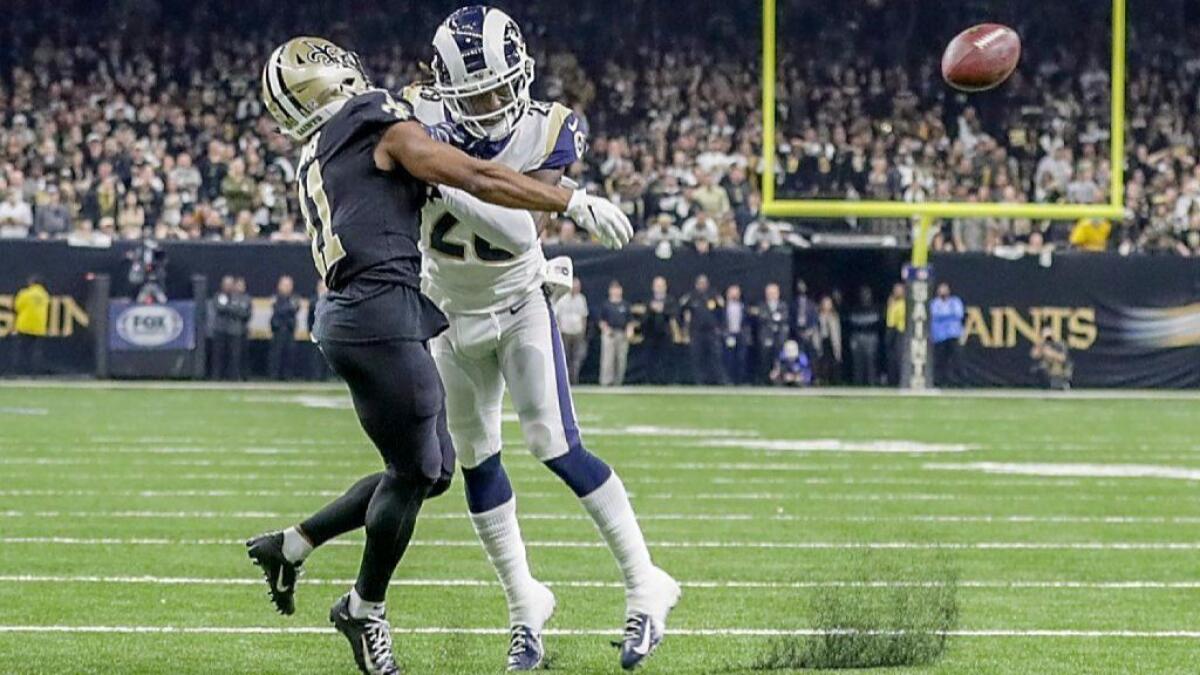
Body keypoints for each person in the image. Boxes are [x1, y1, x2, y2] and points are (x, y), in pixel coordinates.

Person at [244, 35, 632, 675]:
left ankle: (293, 544)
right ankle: (363, 610)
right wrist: (572, 201)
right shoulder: (371, 123)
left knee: (429, 466)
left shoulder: (323, 145)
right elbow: (473, 175)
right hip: (380, 314)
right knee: (420, 472)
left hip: (354, 315)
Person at [412, 11, 672, 668]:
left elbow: (518, 227)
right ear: (446, 90)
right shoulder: (416, 120)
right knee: (477, 458)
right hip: (446, 312)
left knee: (553, 443)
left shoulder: (550, 128)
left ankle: (647, 581)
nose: (494, 108)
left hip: (519, 301)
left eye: (501, 91)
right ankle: (524, 604)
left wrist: (446, 175)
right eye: (477, 97)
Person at [681, 274, 725, 385]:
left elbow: (722, 310)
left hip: (711, 332)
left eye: (704, 283)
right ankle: (699, 381)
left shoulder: (713, 295)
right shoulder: (691, 296)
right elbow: (682, 310)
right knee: (697, 358)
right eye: (700, 283)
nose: (702, 285)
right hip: (696, 332)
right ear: (696, 284)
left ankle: (719, 381)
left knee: (716, 358)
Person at [11, 276, 50, 375]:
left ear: (31, 283)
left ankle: (17, 371)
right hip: (39, 327)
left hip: (24, 325)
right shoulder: (45, 295)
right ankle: (35, 372)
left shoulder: (24, 293)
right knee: (36, 351)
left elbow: (17, 306)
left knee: (21, 350)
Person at [642, 276, 678, 385]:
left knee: (665, 358)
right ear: (653, 287)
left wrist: (662, 310)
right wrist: (651, 310)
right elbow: (644, 318)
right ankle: (651, 380)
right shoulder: (648, 300)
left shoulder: (671, 300)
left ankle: (665, 380)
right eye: (657, 286)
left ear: (665, 287)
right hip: (651, 334)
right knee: (651, 359)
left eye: (661, 285)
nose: (659, 288)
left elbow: (674, 314)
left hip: (665, 334)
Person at [553, 278, 589, 385]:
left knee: (576, 358)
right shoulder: (562, 299)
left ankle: (574, 380)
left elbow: (584, 316)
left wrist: (583, 330)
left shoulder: (581, 299)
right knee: (565, 357)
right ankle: (563, 380)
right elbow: (557, 315)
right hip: (565, 332)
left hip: (577, 332)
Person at [930, 282, 965, 387]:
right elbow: (935, 315)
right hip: (939, 336)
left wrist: (943, 316)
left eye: (945, 289)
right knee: (940, 360)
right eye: (941, 290)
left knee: (957, 359)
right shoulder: (934, 303)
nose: (943, 292)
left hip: (953, 334)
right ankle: (940, 382)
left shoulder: (955, 301)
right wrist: (949, 315)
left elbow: (959, 314)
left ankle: (959, 381)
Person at [598, 280, 632, 386]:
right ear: (610, 291)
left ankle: (618, 381)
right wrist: (606, 329)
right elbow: (601, 320)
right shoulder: (606, 304)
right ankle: (606, 382)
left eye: (618, 289)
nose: (616, 292)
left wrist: (629, 331)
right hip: (609, 334)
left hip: (622, 334)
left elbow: (630, 321)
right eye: (614, 289)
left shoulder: (625, 305)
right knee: (608, 359)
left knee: (621, 359)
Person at [754, 283, 790, 385]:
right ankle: (764, 380)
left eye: (774, 293)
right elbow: (761, 317)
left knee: (779, 359)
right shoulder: (762, 305)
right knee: (765, 360)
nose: (772, 295)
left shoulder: (783, 305)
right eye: (769, 293)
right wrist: (774, 317)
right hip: (766, 337)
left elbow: (784, 318)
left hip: (779, 337)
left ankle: (778, 380)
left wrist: (771, 318)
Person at [847, 286, 882, 386]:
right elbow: (852, 324)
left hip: (871, 338)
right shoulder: (855, 308)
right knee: (858, 363)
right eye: (863, 294)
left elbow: (876, 324)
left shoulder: (875, 308)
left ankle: (872, 383)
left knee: (871, 362)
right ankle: (858, 383)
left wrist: (863, 325)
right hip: (857, 338)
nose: (865, 296)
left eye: (867, 294)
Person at [268, 275, 301, 380]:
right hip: (277, 330)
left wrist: (281, 308)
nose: (287, 287)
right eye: (284, 285)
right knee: (275, 355)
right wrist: (286, 308)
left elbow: (294, 308)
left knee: (289, 355)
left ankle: (288, 376)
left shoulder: (295, 298)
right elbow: (280, 309)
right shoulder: (275, 297)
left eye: (289, 285)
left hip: (289, 330)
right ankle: (274, 376)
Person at [721, 284, 751, 384]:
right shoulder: (722, 307)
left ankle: (740, 381)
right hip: (728, 335)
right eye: (732, 293)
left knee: (741, 359)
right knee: (729, 359)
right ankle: (728, 380)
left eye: (736, 293)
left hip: (741, 336)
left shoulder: (744, 307)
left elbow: (748, 322)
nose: (734, 296)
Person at [815, 295, 842, 385]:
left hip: (832, 341)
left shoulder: (834, 316)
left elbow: (837, 331)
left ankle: (834, 380)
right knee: (822, 361)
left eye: (829, 304)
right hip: (822, 340)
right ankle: (823, 379)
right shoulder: (818, 316)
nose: (827, 306)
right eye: (825, 304)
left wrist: (838, 345)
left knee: (833, 361)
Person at [885, 282, 906, 386]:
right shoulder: (891, 302)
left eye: (899, 289)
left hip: (901, 331)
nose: (897, 292)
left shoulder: (905, 303)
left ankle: (902, 381)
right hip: (891, 330)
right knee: (891, 357)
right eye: (896, 289)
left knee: (900, 357)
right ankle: (892, 381)